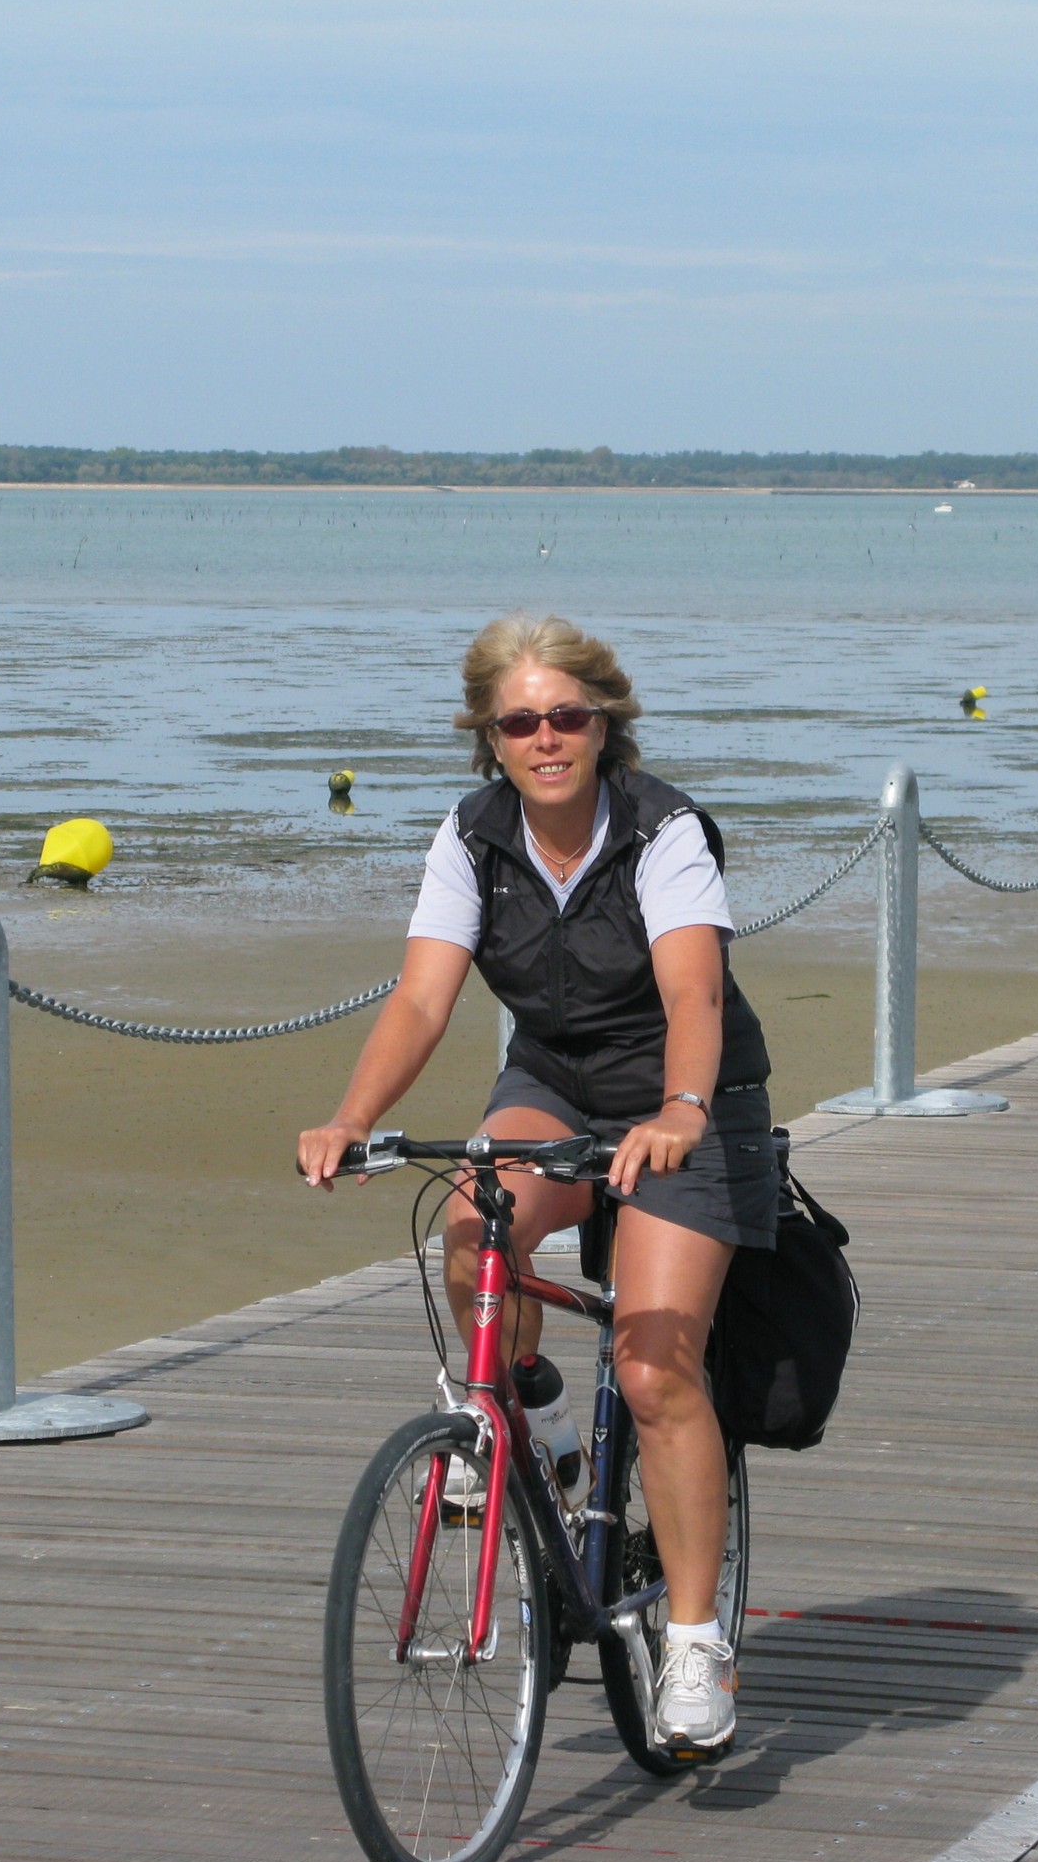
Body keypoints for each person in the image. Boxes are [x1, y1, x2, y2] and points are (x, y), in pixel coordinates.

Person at [299, 613, 778, 1762]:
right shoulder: (471, 837)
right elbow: (422, 1000)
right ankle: (530, 1428)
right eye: (520, 722)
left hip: (687, 1094)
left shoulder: (662, 831)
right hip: (554, 1082)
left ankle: (697, 1643)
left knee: (656, 1365)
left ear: (605, 722)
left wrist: (679, 1112)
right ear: (489, 738)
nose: (546, 738)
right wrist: (352, 1118)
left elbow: (694, 998)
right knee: (472, 1225)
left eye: (569, 716)